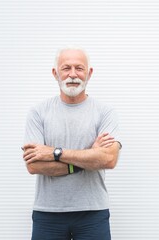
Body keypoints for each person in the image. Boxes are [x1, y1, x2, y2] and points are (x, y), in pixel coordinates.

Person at [22, 46, 122, 240]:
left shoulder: (105, 112)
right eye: (66, 68)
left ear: (89, 73)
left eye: (79, 68)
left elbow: (108, 159)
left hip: (93, 213)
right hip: (47, 213)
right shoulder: (38, 112)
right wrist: (89, 158)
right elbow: (33, 165)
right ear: (55, 73)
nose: (73, 74)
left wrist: (54, 152)